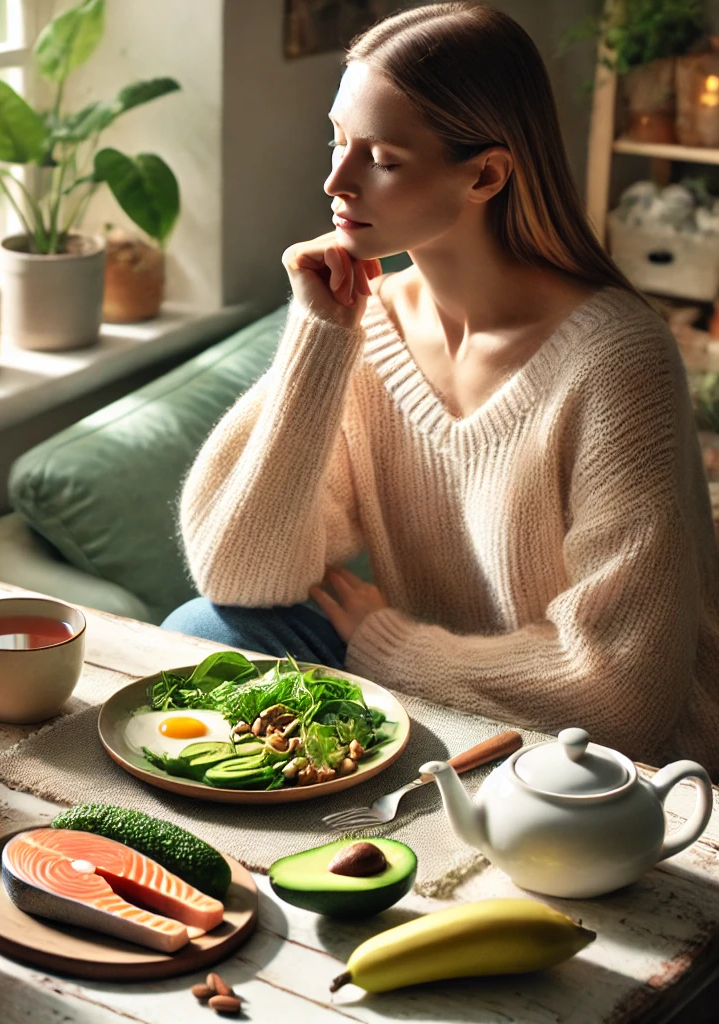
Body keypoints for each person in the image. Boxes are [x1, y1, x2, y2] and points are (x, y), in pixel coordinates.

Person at [160, 1, 719, 774]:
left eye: (381, 158)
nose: (335, 180)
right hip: (438, 693)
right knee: (207, 627)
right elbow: (240, 573)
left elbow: (620, 693)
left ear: (486, 173)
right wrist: (320, 337)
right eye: (338, 140)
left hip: (612, 755)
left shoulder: (618, 358)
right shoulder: (368, 322)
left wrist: (389, 645)